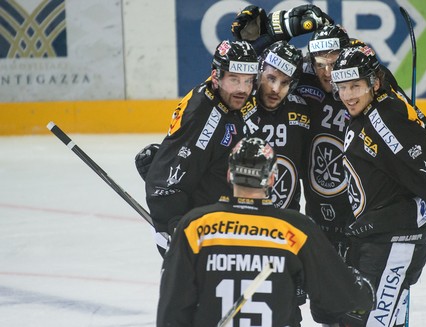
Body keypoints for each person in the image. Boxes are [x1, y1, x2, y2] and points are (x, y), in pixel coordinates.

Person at [330, 44, 426, 327]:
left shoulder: (382, 120)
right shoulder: (368, 114)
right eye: (342, 87)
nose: (348, 96)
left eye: (355, 86)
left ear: (373, 84)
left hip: (392, 245)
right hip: (376, 243)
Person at [156, 137, 375, 327]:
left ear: (229, 175)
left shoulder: (196, 225)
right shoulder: (295, 229)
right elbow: (339, 297)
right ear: (271, 179)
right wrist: (361, 290)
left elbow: (172, 309)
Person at [141, 40, 260, 252]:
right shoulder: (204, 117)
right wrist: (177, 227)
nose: (243, 89)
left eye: (248, 81)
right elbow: (168, 183)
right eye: (234, 80)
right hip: (194, 237)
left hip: (215, 226)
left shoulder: (222, 99)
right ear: (217, 77)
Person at [296, 24, 354, 257]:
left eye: (334, 63)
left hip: (362, 210)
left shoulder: (363, 83)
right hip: (318, 206)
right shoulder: (302, 77)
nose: (328, 72)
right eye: (321, 64)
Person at [249, 40, 310, 211]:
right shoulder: (239, 107)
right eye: (271, 78)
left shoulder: (302, 110)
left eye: (285, 82)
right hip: (245, 223)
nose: (276, 89)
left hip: (287, 223)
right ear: (260, 72)